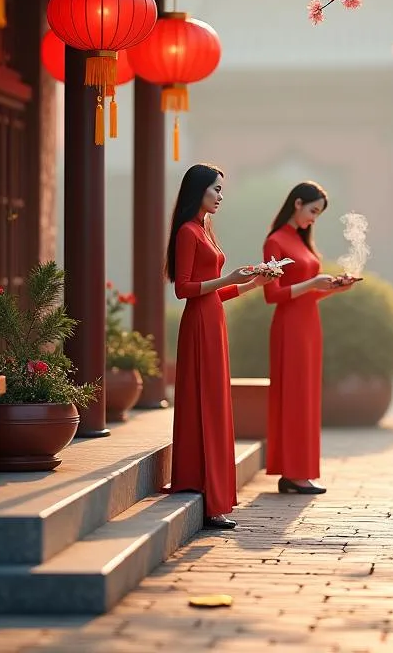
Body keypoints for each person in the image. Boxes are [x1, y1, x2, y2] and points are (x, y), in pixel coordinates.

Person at [167, 163, 278, 529]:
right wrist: (228, 277)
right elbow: (184, 289)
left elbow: (216, 291)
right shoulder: (187, 231)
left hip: (213, 320)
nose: (220, 196)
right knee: (207, 402)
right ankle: (205, 491)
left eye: (221, 191)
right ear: (198, 190)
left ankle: (210, 489)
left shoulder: (204, 228)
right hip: (199, 325)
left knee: (215, 402)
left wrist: (252, 283)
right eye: (215, 189)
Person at [262, 181, 358, 495]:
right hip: (289, 329)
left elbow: (307, 297)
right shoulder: (275, 241)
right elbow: (272, 295)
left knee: (306, 397)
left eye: (318, 214)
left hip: (308, 327)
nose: (314, 218)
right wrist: (313, 282)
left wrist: (334, 287)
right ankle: (293, 471)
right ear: (298, 203)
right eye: (313, 210)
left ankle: (298, 472)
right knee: (294, 397)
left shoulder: (302, 242)